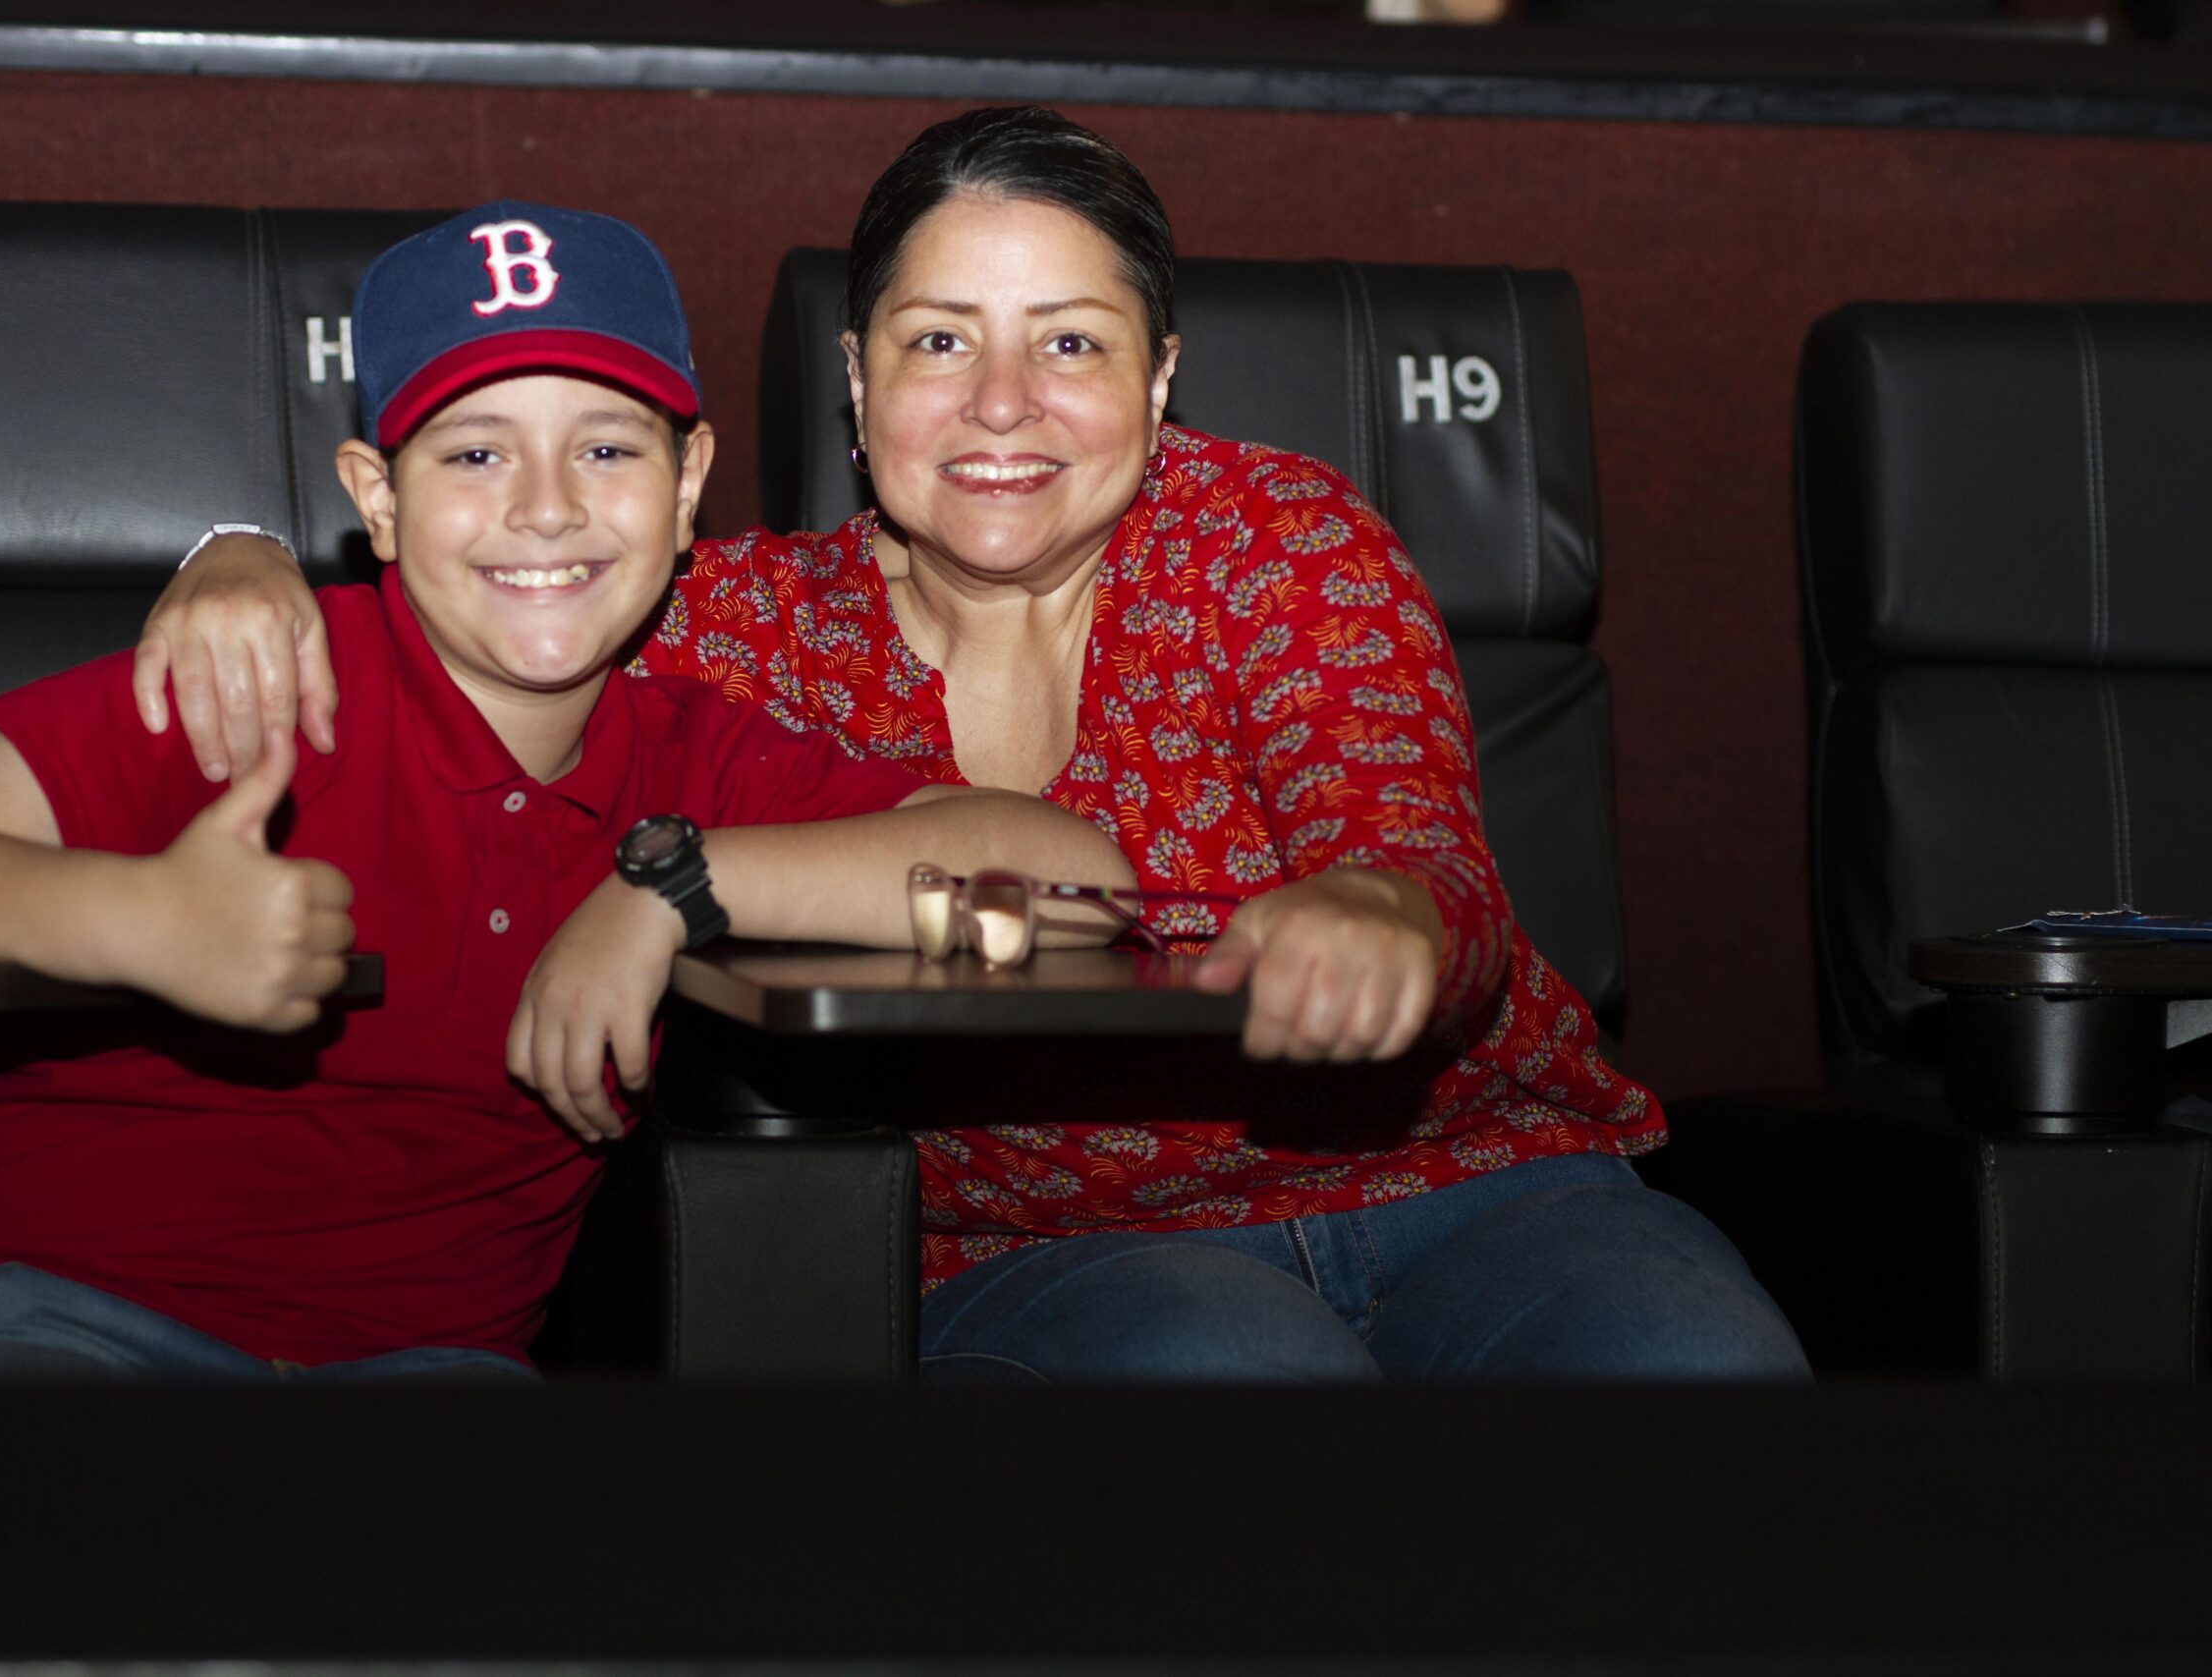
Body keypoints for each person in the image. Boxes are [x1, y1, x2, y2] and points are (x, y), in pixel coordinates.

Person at [136, 111, 1810, 1383]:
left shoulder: (1275, 537)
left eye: (1070, 343)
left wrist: (1377, 910)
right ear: (856, 381)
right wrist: (243, 551)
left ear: (1161, 378)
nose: (1002, 403)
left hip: (1477, 1183)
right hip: (1045, 1247)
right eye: (940, 341)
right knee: (1239, 1383)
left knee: (1700, 1365)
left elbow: (1407, 840)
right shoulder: (728, 627)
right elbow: (468, 597)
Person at [0, 197, 1129, 1383]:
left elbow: (1079, 888)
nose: (545, 506)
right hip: (41, 1313)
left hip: (424, 1370)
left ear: (687, 483)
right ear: (377, 497)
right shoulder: (259, 682)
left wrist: (677, 888)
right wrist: (130, 919)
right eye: (474, 454)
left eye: (606, 448)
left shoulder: (699, 756)